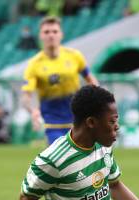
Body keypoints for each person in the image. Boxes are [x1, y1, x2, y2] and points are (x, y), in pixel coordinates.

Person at [22, 16, 99, 145]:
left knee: (83, 161)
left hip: (78, 121)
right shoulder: (34, 64)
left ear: (61, 34)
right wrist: (33, 110)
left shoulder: (75, 56)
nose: (51, 35)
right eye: (46, 32)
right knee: (62, 160)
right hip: (52, 125)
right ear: (40, 36)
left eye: (54, 31)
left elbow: (90, 79)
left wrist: (98, 101)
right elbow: (26, 96)